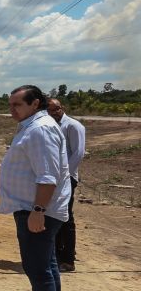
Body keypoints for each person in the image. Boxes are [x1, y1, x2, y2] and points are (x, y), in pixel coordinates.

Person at [0, 85, 70, 291]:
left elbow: (48, 176)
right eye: (10, 104)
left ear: (35, 103)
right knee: (47, 266)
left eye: (17, 104)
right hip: (33, 207)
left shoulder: (40, 130)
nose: (12, 109)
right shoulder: (33, 125)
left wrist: (38, 212)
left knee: (38, 269)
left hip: (38, 209)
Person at [47, 98, 86, 272]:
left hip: (67, 178)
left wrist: (64, 176)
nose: (54, 112)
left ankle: (68, 259)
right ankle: (56, 254)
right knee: (54, 215)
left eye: (56, 109)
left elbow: (78, 153)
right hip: (53, 178)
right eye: (50, 110)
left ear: (62, 108)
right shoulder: (50, 125)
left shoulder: (73, 126)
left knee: (66, 217)